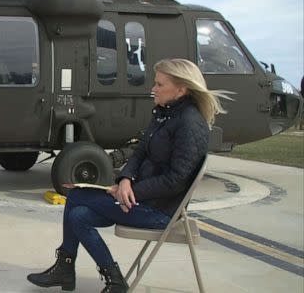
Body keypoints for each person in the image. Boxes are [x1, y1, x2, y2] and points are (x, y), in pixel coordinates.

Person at [27, 58, 231, 293]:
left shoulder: (189, 123)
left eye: (159, 84)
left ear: (181, 89)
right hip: (139, 199)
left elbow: (176, 180)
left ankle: (71, 270)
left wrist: (132, 191)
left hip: (159, 211)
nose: (153, 89)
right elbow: (140, 151)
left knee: (76, 197)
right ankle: (109, 281)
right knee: (79, 215)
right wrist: (124, 180)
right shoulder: (165, 114)